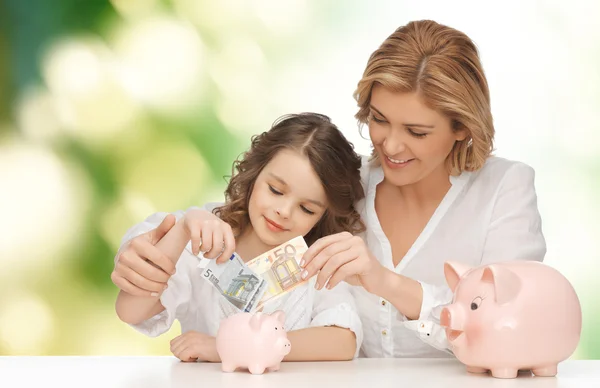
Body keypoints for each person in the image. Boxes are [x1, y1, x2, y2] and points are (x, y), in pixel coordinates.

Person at [299, 19, 546, 358]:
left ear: (461, 127)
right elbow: (253, 228)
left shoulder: (504, 189)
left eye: (416, 132)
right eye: (379, 120)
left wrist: (385, 281)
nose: (392, 146)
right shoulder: (345, 180)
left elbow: (513, 327)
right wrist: (203, 223)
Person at [111, 113, 366, 362]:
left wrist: (234, 348)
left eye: (307, 209)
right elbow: (131, 310)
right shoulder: (201, 239)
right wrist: (182, 230)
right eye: (276, 190)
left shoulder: (317, 260)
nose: (284, 212)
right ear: (255, 172)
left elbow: (343, 341)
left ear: (323, 215)